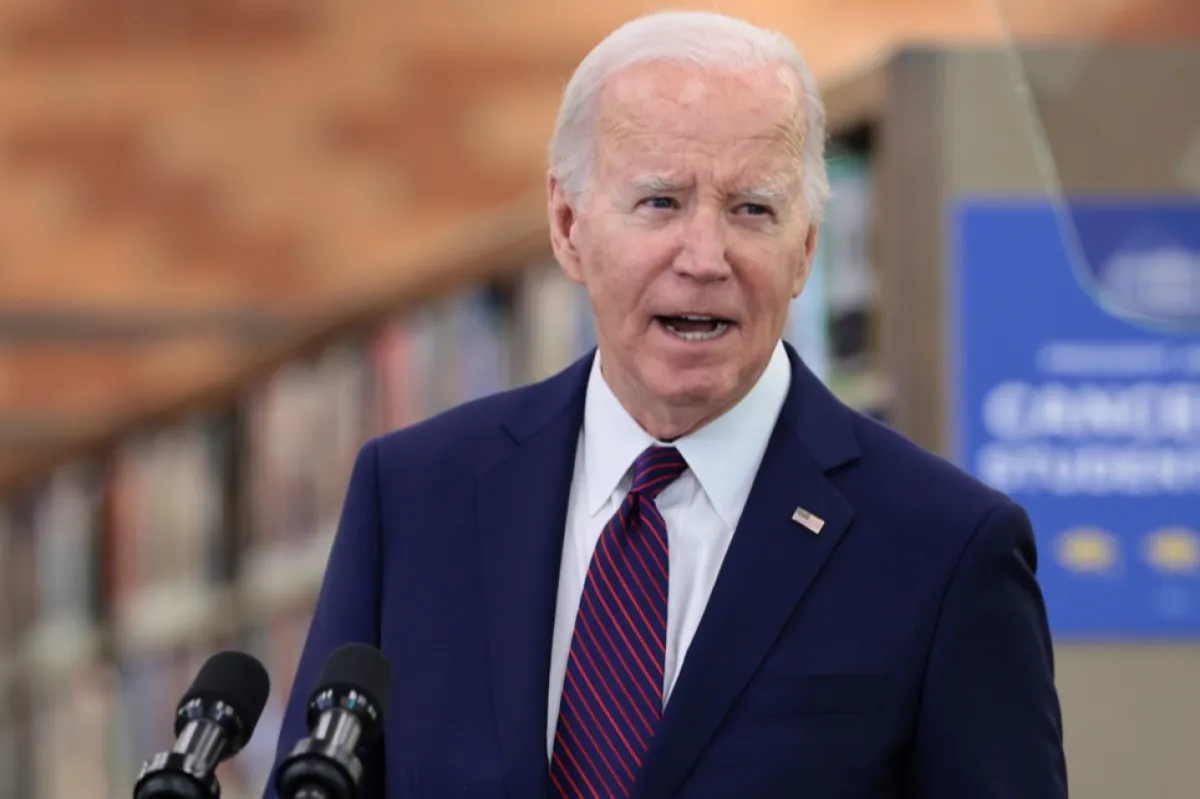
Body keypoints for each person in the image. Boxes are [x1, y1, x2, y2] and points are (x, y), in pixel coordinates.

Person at [265, 10, 1067, 798]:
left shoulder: (945, 545)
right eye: (660, 202)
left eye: (753, 209)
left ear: (808, 248)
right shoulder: (413, 499)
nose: (705, 257)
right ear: (568, 224)